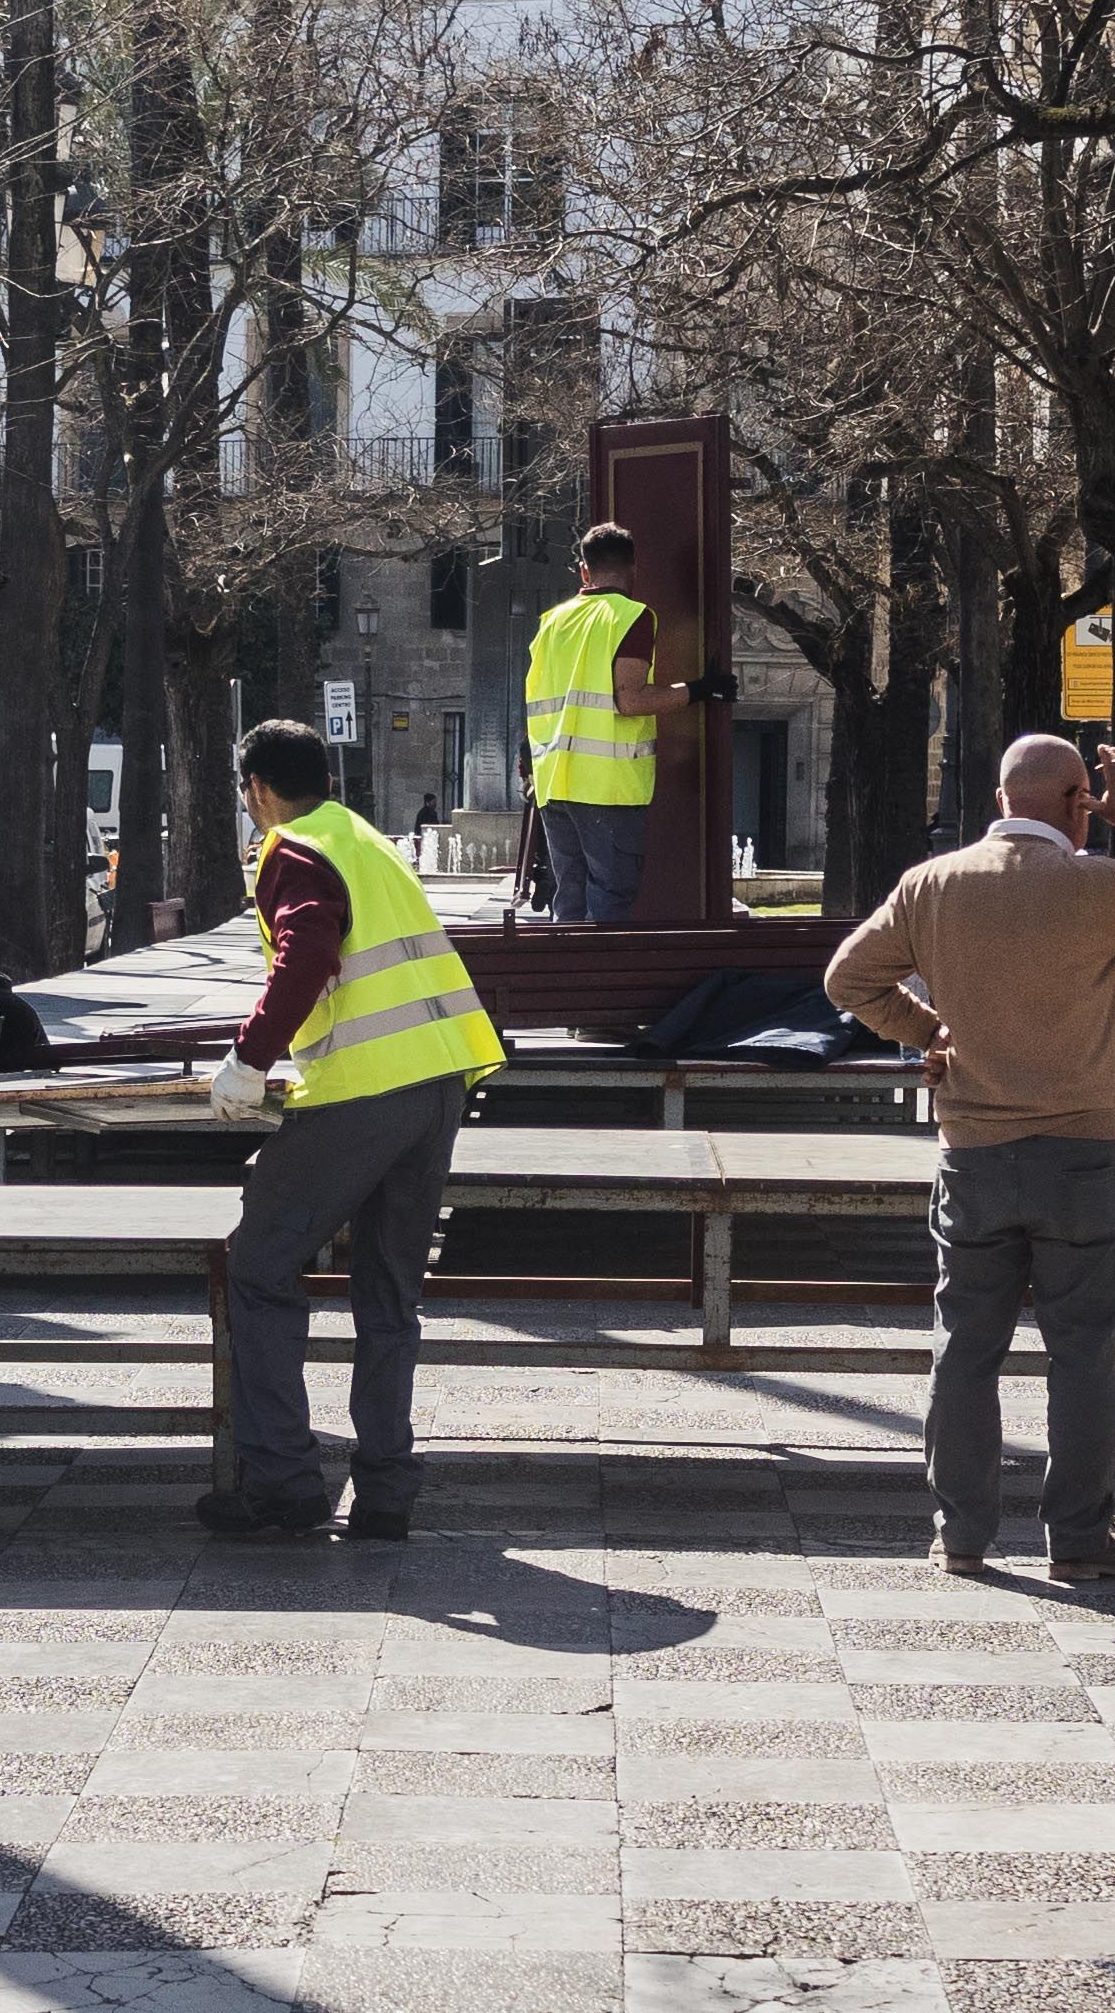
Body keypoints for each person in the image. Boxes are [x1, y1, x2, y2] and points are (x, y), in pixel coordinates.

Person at [824, 736, 1115, 1582]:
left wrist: (925, 1032)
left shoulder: (932, 884)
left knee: (964, 1346)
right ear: (1077, 800)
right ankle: (1079, 1540)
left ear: (1003, 797)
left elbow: (848, 980)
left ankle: (962, 1533)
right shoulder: (1099, 887)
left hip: (971, 1150)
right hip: (1078, 1154)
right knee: (1083, 1350)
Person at [202, 719, 505, 1539]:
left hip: (364, 1092)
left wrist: (248, 1060)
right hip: (440, 1078)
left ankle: (285, 1483)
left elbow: (307, 955)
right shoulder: (363, 839)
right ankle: (384, 1493)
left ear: (258, 790)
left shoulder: (291, 848)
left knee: (259, 1269)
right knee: (387, 1295)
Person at [521, 521, 738, 921]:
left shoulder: (551, 622)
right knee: (610, 895)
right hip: (608, 787)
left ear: (584, 571)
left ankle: (566, 980)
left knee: (569, 898)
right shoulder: (633, 617)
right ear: (633, 569)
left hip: (553, 780)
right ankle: (600, 982)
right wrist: (701, 689)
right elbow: (631, 700)